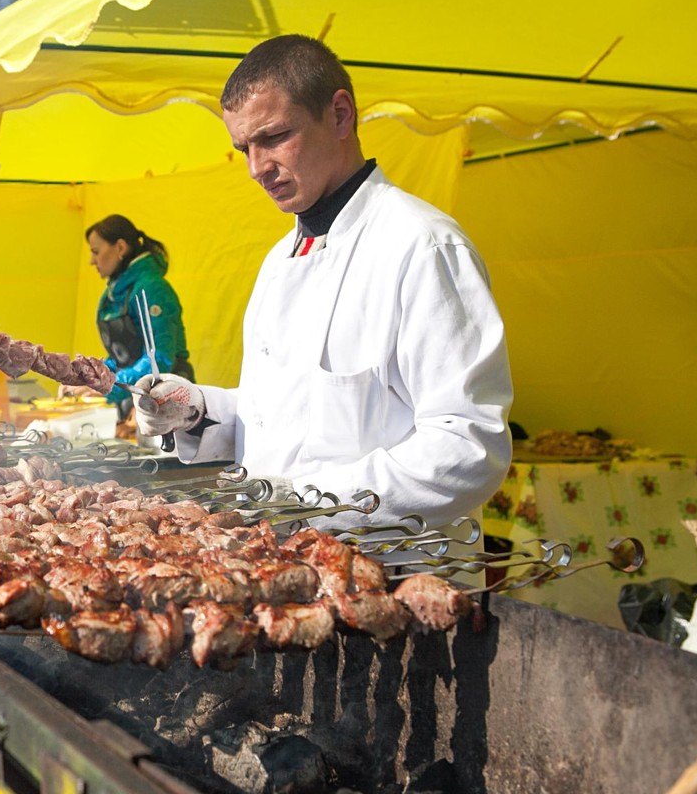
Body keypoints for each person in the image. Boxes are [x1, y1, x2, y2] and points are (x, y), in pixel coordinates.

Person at [135, 35, 513, 527]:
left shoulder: (422, 246)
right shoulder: (280, 260)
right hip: (279, 554)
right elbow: (283, 416)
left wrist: (308, 502)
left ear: (339, 115)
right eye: (244, 148)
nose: (256, 168)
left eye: (273, 137)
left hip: (388, 561)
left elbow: (466, 446)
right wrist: (197, 411)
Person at [63, 215, 193, 406]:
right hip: (135, 397)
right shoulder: (113, 293)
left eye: (96, 252)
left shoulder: (152, 288)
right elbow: (123, 357)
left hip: (169, 402)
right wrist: (91, 377)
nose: (91, 261)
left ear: (120, 248)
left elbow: (159, 358)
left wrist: (111, 386)